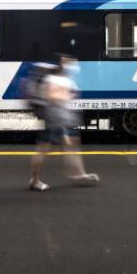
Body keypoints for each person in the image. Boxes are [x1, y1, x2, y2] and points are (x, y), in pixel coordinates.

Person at [29, 55, 99, 191]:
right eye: (71, 64)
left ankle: (79, 174)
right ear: (62, 66)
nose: (75, 67)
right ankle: (34, 181)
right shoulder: (53, 79)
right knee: (43, 149)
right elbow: (51, 97)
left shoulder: (66, 79)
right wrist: (65, 95)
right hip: (54, 118)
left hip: (64, 118)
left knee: (72, 143)